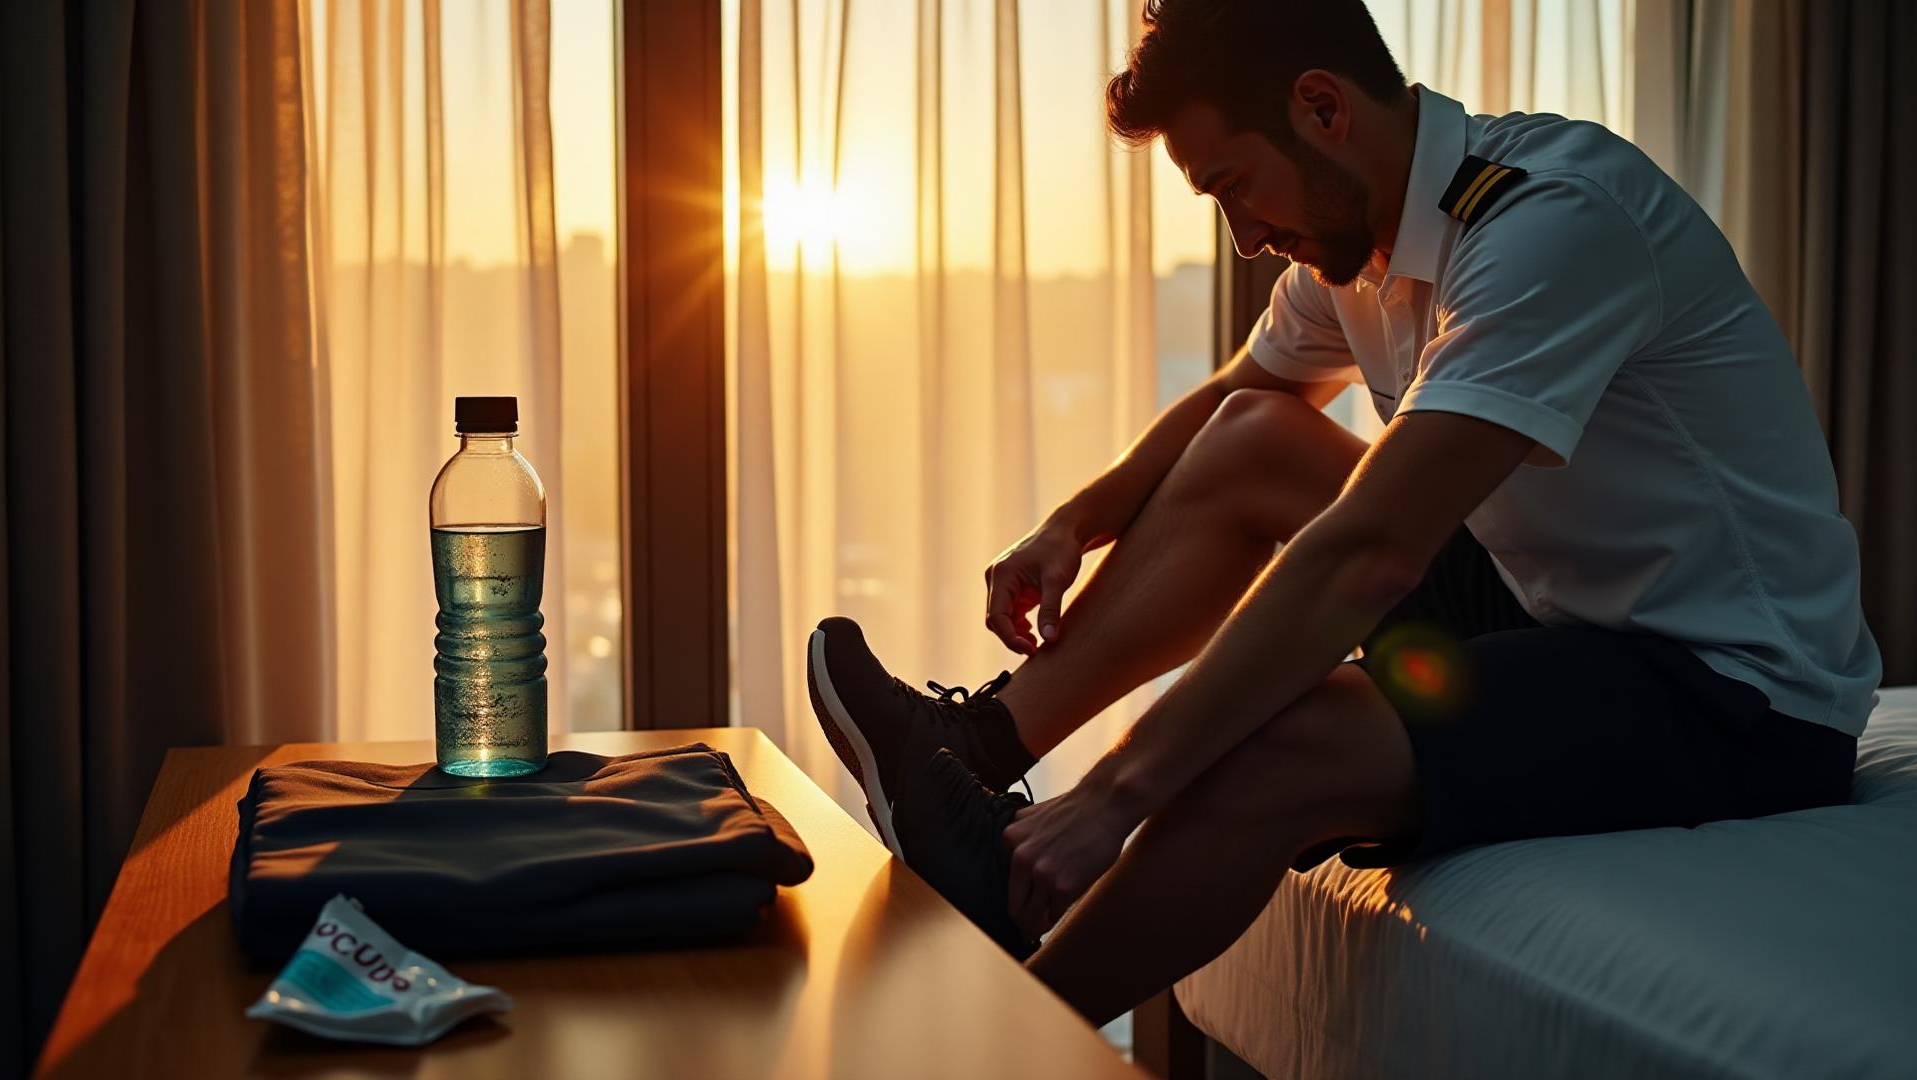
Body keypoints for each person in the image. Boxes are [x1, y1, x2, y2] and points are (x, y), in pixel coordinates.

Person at [803, 0, 1880, 1026]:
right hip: (1547, 610)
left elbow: (1371, 552)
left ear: (1323, 108)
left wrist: (1117, 795)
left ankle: (1004, 1035)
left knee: (1286, 733)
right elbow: (1242, 397)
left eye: (1234, 187)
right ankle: (982, 753)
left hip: (1730, 693)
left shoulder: (1550, 223)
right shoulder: (1358, 237)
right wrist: (1070, 525)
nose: (1241, 238)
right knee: (1251, 442)